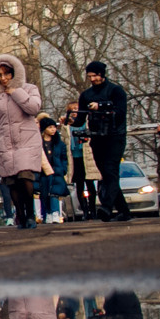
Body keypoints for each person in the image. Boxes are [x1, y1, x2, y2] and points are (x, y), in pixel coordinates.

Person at [0, 53, 46, 229]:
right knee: (11, 181)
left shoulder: (29, 88)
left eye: (7, 73)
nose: (3, 78)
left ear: (14, 73)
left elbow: (34, 108)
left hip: (26, 140)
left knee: (25, 176)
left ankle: (30, 214)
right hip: (6, 142)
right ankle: (20, 215)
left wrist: (16, 92)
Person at [65, 60, 130, 221]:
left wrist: (101, 106)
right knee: (107, 175)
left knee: (110, 170)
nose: (92, 79)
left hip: (115, 137)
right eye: (89, 76)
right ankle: (124, 211)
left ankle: (106, 207)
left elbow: (120, 113)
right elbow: (80, 120)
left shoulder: (116, 91)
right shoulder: (86, 95)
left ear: (102, 75)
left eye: (94, 76)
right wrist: (70, 121)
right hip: (97, 137)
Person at [37, 115, 70, 223]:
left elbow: (64, 158)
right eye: (50, 127)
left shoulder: (59, 144)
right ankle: (48, 213)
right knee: (45, 194)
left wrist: (63, 169)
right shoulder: (38, 143)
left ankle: (55, 213)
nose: (53, 129)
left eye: (54, 127)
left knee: (55, 193)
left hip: (57, 172)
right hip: (44, 173)